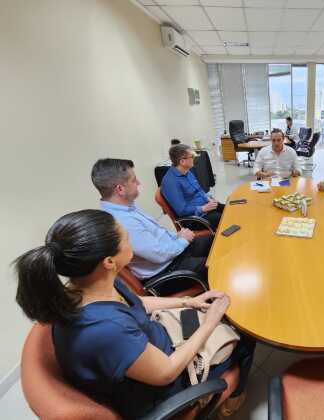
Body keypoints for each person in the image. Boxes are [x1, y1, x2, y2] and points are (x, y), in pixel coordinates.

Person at [13, 209, 255, 419]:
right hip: (161, 383)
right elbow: (167, 372)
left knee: (218, 318)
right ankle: (233, 399)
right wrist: (210, 323)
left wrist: (188, 301)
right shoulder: (105, 329)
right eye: (127, 238)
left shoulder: (88, 284)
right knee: (245, 337)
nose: (132, 243)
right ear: (108, 261)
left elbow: (136, 303)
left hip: (148, 345)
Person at [91, 158, 212, 286]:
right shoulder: (122, 222)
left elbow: (158, 233)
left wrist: (178, 237)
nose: (138, 182)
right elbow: (158, 255)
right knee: (216, 263)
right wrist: (183, 240)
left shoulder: (126, 206)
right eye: (134, 180)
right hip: (166, 270)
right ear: (120, 189)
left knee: (214, 241)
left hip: (172, 253)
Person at [161, 144, 224, 231]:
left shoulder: (187, 171)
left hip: (205, 206)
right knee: (225, 219)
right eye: (192, 156)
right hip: (194, 219)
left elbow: (199, 190)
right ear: (182, 161)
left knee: (229, 209)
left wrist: (208, 198)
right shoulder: (170, 182)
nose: (194, 158)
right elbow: (182, 210)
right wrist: (203, 208)